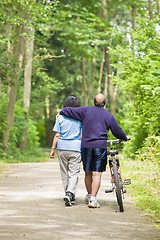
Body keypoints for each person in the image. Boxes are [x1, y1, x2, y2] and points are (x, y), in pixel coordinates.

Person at [60, 93, 129, 208]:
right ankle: (93, 199)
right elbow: (117, 131)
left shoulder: (85, 111)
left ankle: (89, 195)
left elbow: (68, 110)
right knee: (97, 174)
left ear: (93, 102)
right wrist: (124, 138)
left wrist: (61, 112)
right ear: (105, 103)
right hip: (99, 146)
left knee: (88, 172)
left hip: (86, 146)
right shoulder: (108, 116)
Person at [50, 95, 82, 207]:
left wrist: (52, 149)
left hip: (62, 147)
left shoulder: (60, 117)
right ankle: (70, 193)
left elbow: (57, 134)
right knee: (74, 172)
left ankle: (68, 194)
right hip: (75, 148)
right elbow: (82, 135)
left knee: (64, 172)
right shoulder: (80, 118)